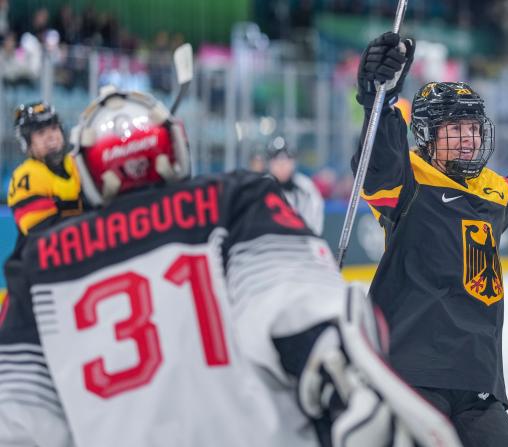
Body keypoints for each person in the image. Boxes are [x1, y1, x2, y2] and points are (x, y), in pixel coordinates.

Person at [0, 87, 462, 447]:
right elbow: (305, 308)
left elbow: (19, 419)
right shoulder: (229, 200)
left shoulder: (37, 267)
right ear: (174, 148)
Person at [353, 32, 508, 446]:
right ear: (428, 135)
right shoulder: (408, 180)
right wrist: (379, 100)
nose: (468, 137)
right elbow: (377, 164)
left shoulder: (490, 189)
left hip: (478, 382)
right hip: (411, 374)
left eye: (473, 126)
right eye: (455, 127)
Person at [7, 102, 82, 242]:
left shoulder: (78, 162)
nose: (51, 136)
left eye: (54, 128)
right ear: (28, 144)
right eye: (41, 133)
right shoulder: (25, 177)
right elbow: (41, 235)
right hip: (42, 261)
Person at [267, 136, 325, 236]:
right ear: (269, 163)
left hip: (302, 245)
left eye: (286, 161)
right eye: (277, 161)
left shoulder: (306, 187)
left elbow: (315, 224)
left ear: (293, 162)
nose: (282, 166)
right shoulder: (260, 188)